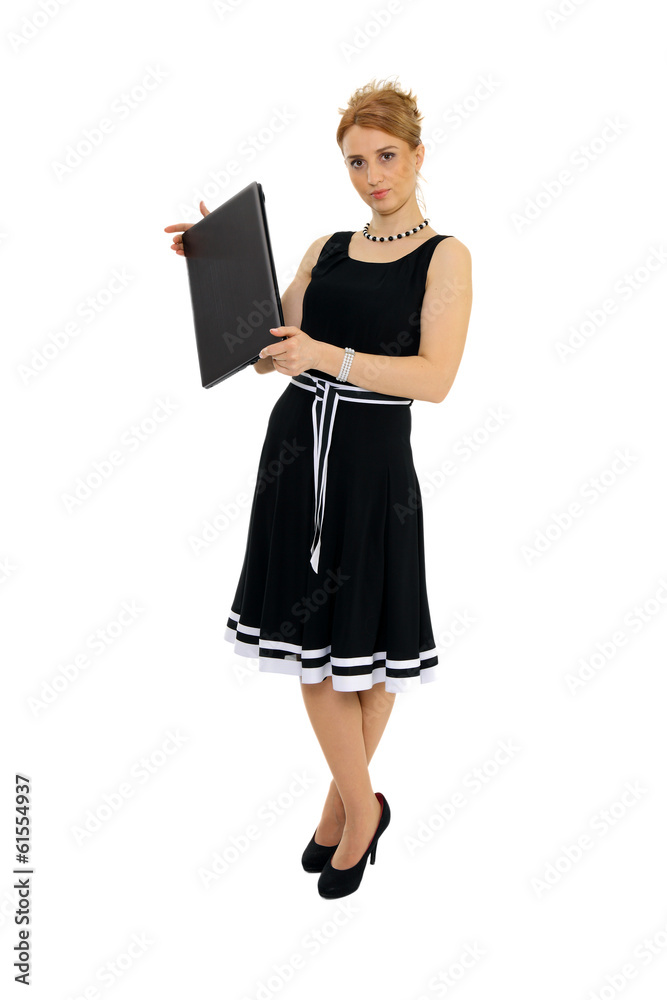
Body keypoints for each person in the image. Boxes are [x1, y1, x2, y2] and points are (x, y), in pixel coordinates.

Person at [164, 77, 472, 899]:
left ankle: (348, 811)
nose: (373, 176)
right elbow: (269, 353)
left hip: (373, 464)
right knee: (316, 651)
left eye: (386, 157)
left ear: (417, 155)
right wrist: (217, 265)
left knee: (369, 650)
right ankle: (361, 807)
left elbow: (435, 379)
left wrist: (326, 357)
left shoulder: (445, 257)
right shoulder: (324, 249)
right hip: (297, 453)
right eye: (355, 163)